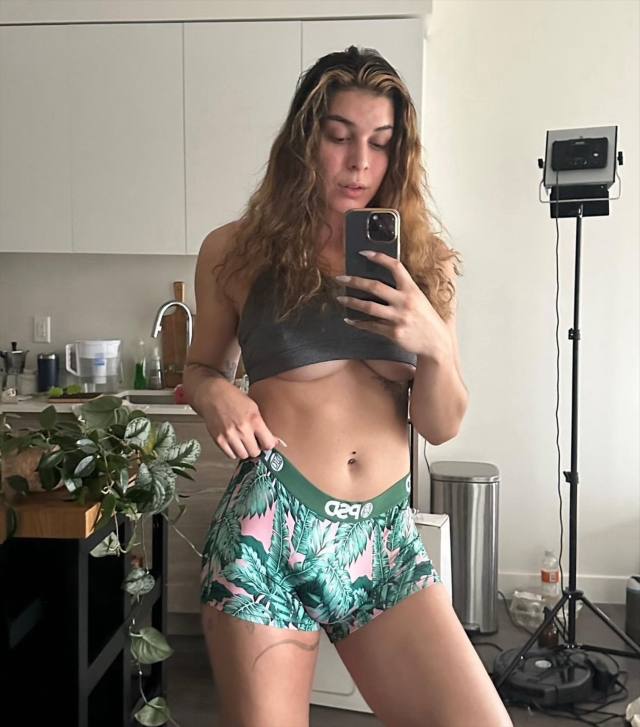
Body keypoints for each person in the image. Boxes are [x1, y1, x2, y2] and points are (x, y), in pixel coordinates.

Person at [184, 45, 512, 727]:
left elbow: (443, 423)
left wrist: (431, 341)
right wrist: (216, 392)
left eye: (380, 142)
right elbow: (200, 368)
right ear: (305, 142)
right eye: (339, 136)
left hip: (383, 540)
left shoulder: (426, 262)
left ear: (399, 154)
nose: (360, 162)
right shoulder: (236, 251)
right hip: (269, 532)